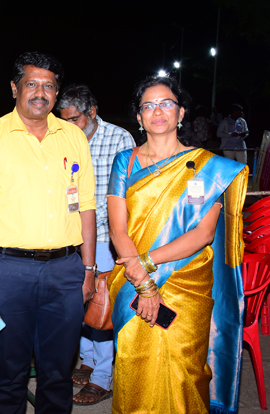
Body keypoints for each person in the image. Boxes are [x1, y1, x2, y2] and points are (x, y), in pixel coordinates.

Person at [0, 52, 97, 414]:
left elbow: (86, 207)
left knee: (58, 373)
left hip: (65, 272)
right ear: (14, 88)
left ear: (57, 92)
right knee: (9, 374)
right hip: (6, 273)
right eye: (31, 84)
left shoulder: (73, 137)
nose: (40, 92)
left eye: (48, 86)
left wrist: (88, 269)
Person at [107, 76, 248, 413]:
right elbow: (117, 229)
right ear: (139, 117)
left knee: (185, 369)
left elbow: (203, 234)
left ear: (181, 113)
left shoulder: (207, 167)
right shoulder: (125, 162)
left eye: (166, 103)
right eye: (148, 106)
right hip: (133, 282)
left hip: (188, 284)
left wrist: (146, 264)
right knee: (134, 363)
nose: (157, 111)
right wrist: (144, 283)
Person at [56, 84, 135, 405]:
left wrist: (93, 228)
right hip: (68, 237)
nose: (68, 125)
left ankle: (103, 377)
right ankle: (88, 360)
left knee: (101, 304)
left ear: (92, 112)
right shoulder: (61, 137)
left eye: (74, 119)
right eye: (63, 119)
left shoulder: (119, 139)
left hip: (104, 236)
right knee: (78, 301)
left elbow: (127, 195)